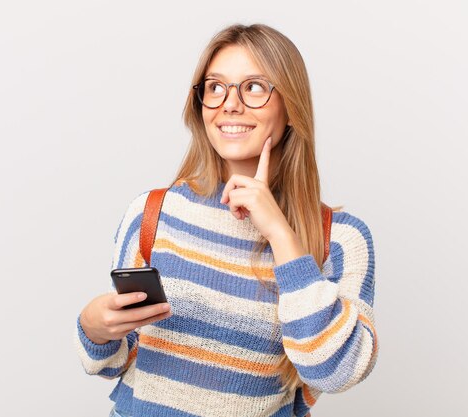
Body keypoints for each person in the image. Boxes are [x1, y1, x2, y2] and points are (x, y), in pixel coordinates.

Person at [74, 23, 378, 417]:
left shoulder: (339, 238)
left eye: (254, 87)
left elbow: (334, 372)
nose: (229, 104)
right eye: (215, 87)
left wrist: (280, 234)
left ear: (290, 107)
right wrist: (94, 328)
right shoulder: (152, 213)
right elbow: (117, 361)